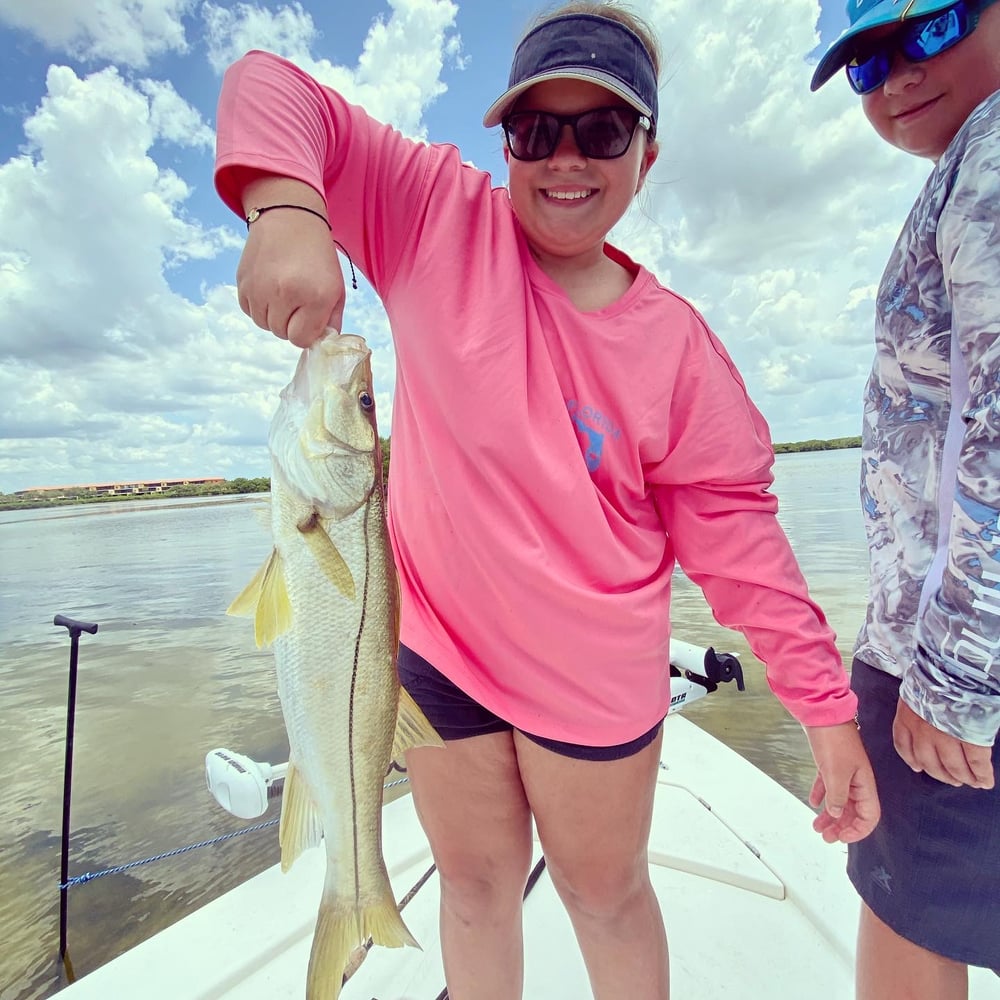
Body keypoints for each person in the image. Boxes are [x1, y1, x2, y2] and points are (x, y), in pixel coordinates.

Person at [215, 4, 879, 997]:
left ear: (645, 156)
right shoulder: (432, 214)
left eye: (602, 130)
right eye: (537, 130)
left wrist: (825, 712)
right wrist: (287, 210)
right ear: (506, 141)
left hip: (589, 677)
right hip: (438, 655)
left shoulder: (678, 352)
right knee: (475, 885)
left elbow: (740, 545)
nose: (566, 158)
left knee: (603, 895)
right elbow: (268, 84)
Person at [810, 2, 1000, 997]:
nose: (895, 77)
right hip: (959, 655)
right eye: (864, 62)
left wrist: (958, 673)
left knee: (907, 910)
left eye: (930, 30)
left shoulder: (991, 152)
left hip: (951, 670)